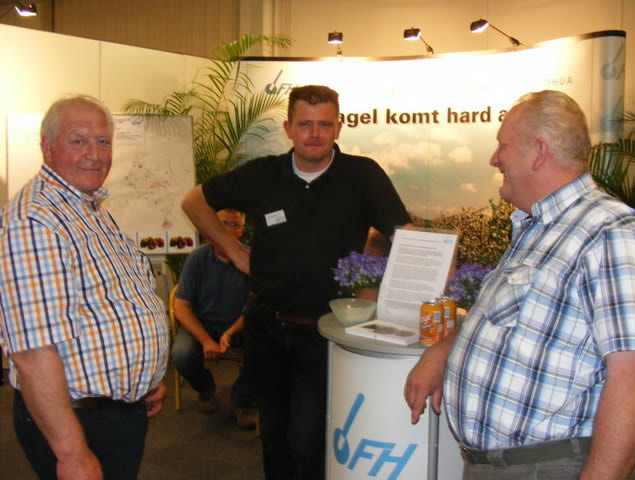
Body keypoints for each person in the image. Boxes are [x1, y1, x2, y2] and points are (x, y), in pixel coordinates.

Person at [405, 90, 635, 480]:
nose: (494, 158)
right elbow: (510, 320)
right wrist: (444, 350)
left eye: (503, 145)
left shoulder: (610, 233)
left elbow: (633, 380)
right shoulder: (538, 227)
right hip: (500, 466)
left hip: (548, 468)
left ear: (539, 151)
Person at [181, 85, 411, 480]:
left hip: (326, 332)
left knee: (308, 440)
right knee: (273, 436)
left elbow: (402, 233)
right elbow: (193, 201)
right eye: (305, 124)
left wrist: (422, 268)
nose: (315, 134)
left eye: (324, 124)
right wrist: (233, 250)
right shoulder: (263, 175)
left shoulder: (362, 175)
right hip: (266, 326)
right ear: (288, 128)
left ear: (338, 127)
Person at [0, 95, 169, 480]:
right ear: (47, 146)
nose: (94, 154)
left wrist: (142, 381)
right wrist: (72, 454)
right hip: (77, 422)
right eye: (78, 141)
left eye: (103, 141)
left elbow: (115, 302)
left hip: (113, 412)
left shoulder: (89, 210)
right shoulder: (35, 221)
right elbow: (33, 353)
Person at [171, 208, 256, 427]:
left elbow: (256, 306)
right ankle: (205, 388)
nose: (227, 230)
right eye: (222, 223)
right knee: (181, 355)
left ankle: (242, 400)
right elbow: (181, 306)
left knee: (267, 348)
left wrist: (231, 331)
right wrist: (205, 339)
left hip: (239, 327)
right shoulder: (197, 259)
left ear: (241, 230)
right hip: (202, 326)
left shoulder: (250, 259)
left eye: (234, 224)